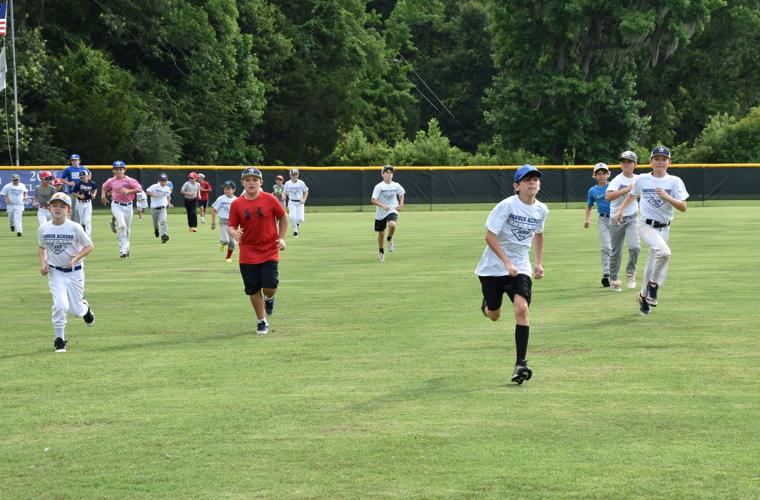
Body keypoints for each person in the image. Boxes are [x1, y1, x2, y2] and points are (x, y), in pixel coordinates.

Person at [475, 164, 548, 385]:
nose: (532, 182)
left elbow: (539, 234)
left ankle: (520, 363)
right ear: (517, 186)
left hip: (520, 267)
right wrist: (506, 262)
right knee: (494, 315)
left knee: (521, 308)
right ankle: (487, 306)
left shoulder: (542, 209)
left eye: (535, 178)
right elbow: (489, 237)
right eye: (527, 179)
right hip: (492, 269)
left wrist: (537, 263)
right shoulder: (506, 206)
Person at [614, 146, 688, 316]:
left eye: (663, 159)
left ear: (669, 162)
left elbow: (683, 207)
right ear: (651, 162)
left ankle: (642, 296)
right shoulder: (643, 179)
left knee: (651, 263)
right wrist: (620, 211)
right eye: (657, 158)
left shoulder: (675, 181)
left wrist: (667, 197)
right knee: (665, 253)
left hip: (664, 227)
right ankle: (653, 286)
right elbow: (633, 195)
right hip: (646, 225)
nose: (660, 162)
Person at [228, 167, 287, 335]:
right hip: (248, 252)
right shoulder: (237, 204)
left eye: (255, 179)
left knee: (270, 286)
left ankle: (269, 298)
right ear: (242, 183)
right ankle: (261, 321)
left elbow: (283, 217)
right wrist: (232, 232)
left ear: (261, 182)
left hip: (269, 249)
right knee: (253, 290)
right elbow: (231, 226)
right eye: (247, 180)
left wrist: (282, 238)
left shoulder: (270, 199)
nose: (251, 182)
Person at [38, 192, 95, 352]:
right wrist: (43, 264)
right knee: (60, 305)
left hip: (75, 272)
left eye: (62, 206)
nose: (58, 209)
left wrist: (75, 259)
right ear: (49, 208)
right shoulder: (44, 228)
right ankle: (60, 340)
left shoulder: (75, 227)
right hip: (55, 273)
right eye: (54, 205)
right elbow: (42, 248)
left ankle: (85, 309)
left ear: (69, 210)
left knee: (76, 310)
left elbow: (89, 246)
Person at [605, 151, 641, 291]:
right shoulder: (617, 180)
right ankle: (614, 278)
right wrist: (626, 189)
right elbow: (608, 197)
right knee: (616, 251)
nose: (625, 164)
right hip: (616, 219)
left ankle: (630, 272)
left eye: (629, 161)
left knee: (635, 247)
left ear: (635, 164)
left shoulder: (639, 179)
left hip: (632, 217)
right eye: (623, 161)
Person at [100, 161, 143, 258]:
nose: (119, 171)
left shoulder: (129, 180)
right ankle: (123, 250)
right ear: (113, 171)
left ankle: (127, 249)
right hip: (116, 205)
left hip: (128, 206)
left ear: (124, 170)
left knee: (127, 230)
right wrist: (103, 195)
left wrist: (129, 190)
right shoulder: (111, 180)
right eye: (116, 169)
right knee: (122, 226)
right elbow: (104, 186)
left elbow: (139, 189)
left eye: (121, 169)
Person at [584, 163, 612, 287]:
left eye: (604, 173)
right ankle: (607, 274)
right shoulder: (592, 190)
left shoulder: (613, 186)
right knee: (606, 247)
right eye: (598, 174)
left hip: (617, 220)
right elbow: (589, 206)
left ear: (608, 174)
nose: (601, 176)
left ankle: (614, 273)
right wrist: (587, 219)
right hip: (603, 220)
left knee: (616, 249)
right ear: (594, 176)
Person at [371, 164, 405, 262]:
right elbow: (373, 200)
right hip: (381, 212)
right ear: (382, 174)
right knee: (381, 234)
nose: (389, 174)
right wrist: (382, 205)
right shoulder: (379, 186)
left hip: (392, 209)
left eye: (391, 173)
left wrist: (401, 204)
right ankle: (381, 251)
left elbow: (401, 193)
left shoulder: (396, 185)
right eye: (387, 172)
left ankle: (389, 238)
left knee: (392, 225)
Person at [211, 180, 238, 262]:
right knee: (226, 241)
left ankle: (228, 257)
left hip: (233, 223)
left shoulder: (236, 200)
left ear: (234, 190)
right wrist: (213, 222)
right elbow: (214, 209)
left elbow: (239, 212)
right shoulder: (221, 198)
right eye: (225, 189)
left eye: (228, 189)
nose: (226, 190)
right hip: (223, 221)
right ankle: (223, 243)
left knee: (233, 243)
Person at [60, 154, 88, 223]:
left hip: (81, 192)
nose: (75, 161)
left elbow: (89, 175)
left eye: (76, 160)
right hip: (72, 192)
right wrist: (69, 183)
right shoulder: (68, 169)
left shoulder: (83, 169)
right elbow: (62, 179)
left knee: (79, 210)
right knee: (71, 209)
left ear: (79, 161)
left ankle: (79, 225)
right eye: (73, 160)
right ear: (71, 161)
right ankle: (71, 224)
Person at [146, 173, 173, 243]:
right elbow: (147, 191)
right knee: (155, 223)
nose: (163, 182)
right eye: (162, 180)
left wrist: (169, 203)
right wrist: (153, 194)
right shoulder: (155, 186)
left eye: (165, 180)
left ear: (167, 181)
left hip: (162, 207)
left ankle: (164, 235)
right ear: (159, 180)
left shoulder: (167, 188)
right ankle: (156, 230)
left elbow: (168, 196)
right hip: (154, 207)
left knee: (163, 221)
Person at [283, 168, 309, 237]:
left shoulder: (301, 183)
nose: (294, 176)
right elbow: (285, 192)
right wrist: (284, 195)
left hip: (300, 202)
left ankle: (297, 225)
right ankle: (295, 231)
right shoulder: (287, 183)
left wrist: (304, 199)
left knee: (301, 219)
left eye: (295, 174)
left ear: (298, 175)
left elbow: (306, 191)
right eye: (292, 175)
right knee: (292, 217)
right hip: (291, 202)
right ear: (290, 175)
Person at [72, 169, 98, 236]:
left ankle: (88, 235)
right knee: (82, 220)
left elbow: (95, 189)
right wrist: (79, 196)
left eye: (84, 177)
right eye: (81, 177)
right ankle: (82, 234)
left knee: (87, 220)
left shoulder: (92, 183)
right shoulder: (78, 184)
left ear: (88, 176)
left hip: (88, 203)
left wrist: (94, 194)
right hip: (80, 202)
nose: (82, 178)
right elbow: (73, 193)